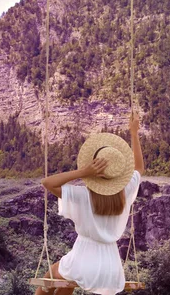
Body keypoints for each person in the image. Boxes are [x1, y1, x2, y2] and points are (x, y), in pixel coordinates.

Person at [36, 113, 145, 295]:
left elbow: (47, 183)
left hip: (83, 260)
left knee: (49, 278)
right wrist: (134, 133)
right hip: (111, 269)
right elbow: (139, 168)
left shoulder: (82, 196)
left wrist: (83, 172)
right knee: (66, 284)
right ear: (117, 174)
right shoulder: (124, 193)